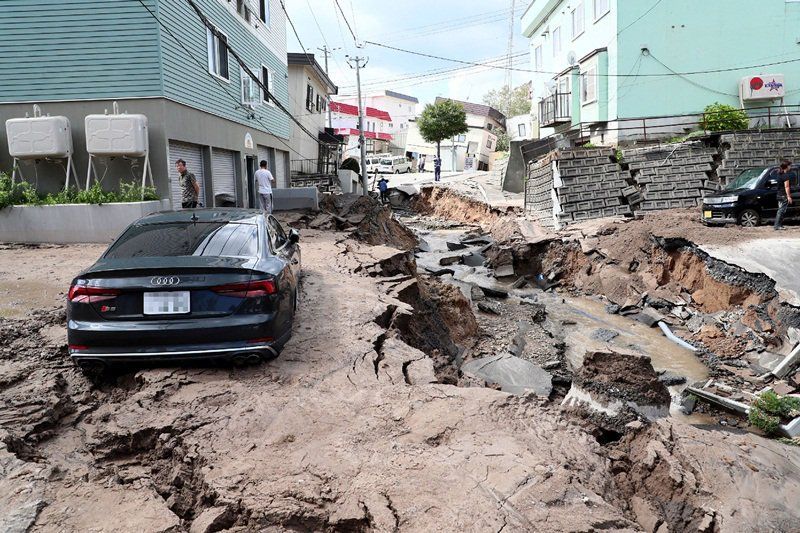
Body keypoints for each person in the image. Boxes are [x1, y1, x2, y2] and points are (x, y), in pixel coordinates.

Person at [774, 159, 795, 230]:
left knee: (780, 210)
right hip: (783, 195)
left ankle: (779, 225)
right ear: (786, 166)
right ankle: (777, 226)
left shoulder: (779, 174)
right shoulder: (785, 176)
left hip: (779, 194)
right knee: (781, 210)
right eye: (790, 165)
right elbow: (787, 187)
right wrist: (789, 196)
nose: (790, 167)